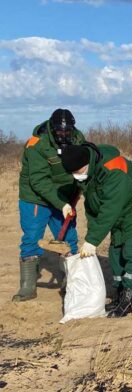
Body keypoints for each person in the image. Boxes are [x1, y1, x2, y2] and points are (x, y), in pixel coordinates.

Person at [59, 143, 132, 317]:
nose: (76, 177)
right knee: (115, 253)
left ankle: (129, 300)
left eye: (77, 172)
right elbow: (93, 207)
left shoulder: (114, 170)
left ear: (86, 164)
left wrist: (93, 240)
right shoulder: (89, 173)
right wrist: (66, 204)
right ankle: (120, 295)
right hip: (121, 214)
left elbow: (109, 209)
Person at [14, 109, 85, 302]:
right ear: (52, 129)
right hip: (35, 198)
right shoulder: (36, 144)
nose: (64, 135)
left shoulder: (78, 139)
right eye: (60, 132)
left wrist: (77, 191)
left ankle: (71, 280)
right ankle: (28, 286)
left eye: (67, 131)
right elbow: (39, 181)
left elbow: (84, 165)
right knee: (31, 238)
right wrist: (60, 204)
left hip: (65, 196)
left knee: (69, 239)